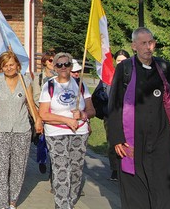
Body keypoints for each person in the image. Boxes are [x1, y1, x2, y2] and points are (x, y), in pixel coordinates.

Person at [108, 27, 170, 209]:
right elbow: (115, 105)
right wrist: (117, 138)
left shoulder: (165, 67)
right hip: (133, 139)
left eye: (151, 43)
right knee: (136, 190)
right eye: (143, 43)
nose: (148, 47)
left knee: (169, 186)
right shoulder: (124, 69)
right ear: (134, 46)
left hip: (160, 137)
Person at [39, 52, 95, 209]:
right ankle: (63, 205)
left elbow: (92, 110)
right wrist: (67, 120)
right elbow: (43, 114)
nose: (63, 67)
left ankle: (69, 201)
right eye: (59, 64)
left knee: (76, 170)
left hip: (79, 133)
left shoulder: (80, 85)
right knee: (61, 169)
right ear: (55, 67)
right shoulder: (49, 86)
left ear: (71, 67)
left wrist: (83, 114)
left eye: (66, 64)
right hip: (56, 133)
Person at [0, 51, 42, 209]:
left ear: (18, 65)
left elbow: (30, 103)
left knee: (19, 166)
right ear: (0, 67)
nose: (8, 68)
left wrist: (38, 119)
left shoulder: (25, 81)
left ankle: (13, 200)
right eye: (5, 65)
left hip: (21, 129)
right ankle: (3, 202)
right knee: (1, 167)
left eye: (11, 64)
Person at [93, 49, 130, 182]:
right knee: (113, 142)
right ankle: (115, 169)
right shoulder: (109, 76)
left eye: (124, 60)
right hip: (112, 115)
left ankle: (127, 167)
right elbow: (97, 95)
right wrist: (102, 97)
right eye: (118, 61)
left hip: (128, 116)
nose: (121, 63)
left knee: (128, 142)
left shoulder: (133, 75)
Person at [32, 51, 55, 174]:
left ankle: (54, 168)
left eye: (54, 60)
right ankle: (42, 160)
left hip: (55, 113)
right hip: (43, 112)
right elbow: (36, 95)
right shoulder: (39, 78)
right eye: (50, 60)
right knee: (43, 140)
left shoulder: (58, 77)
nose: (53, 63)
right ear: (45, 62)